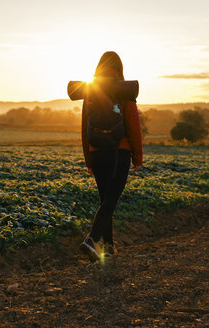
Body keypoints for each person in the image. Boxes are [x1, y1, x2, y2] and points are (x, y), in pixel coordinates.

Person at [79, 51, 143, 261]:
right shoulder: (124, 90)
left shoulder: (90, 90)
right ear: (119, 68)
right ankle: (92, 240)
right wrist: (138, 157)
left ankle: (108, 246)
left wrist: (88, 159)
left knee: (105, 201)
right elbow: (133, 126)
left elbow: (83, 128)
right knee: (110, 201)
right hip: (119, 153)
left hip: (97, 153)